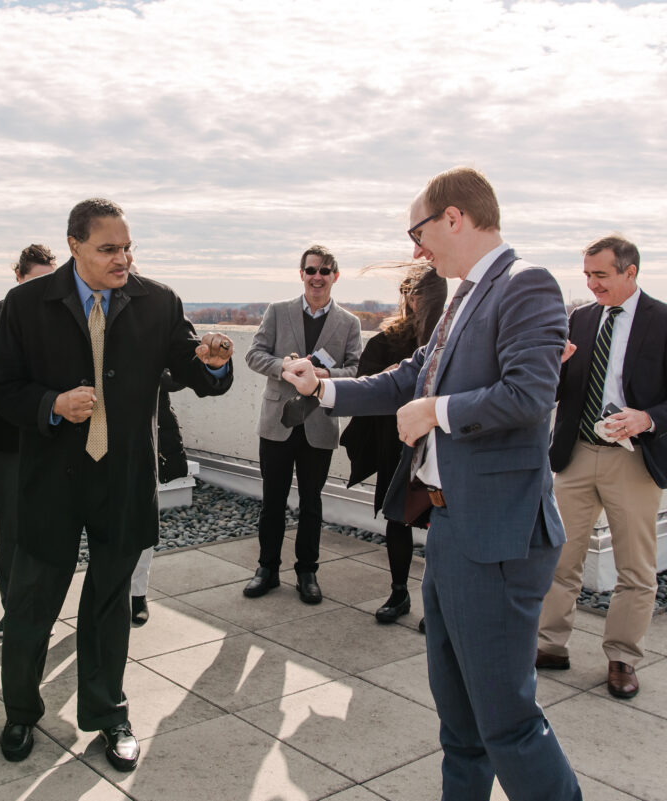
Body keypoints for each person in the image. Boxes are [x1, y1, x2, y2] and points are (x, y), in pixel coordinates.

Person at [283, 167, 581, 801]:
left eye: (418, 231)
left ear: (454, 218)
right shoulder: (465, 294)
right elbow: (409, 375)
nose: (416, 248)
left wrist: (437, 412)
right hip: (451, 529)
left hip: (497, 539)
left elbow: (530, 393)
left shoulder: (526, 284)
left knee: (508, 723)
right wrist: (324, 388)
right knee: (461, 722)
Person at [0, 198, 234, 771]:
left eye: (127, 247)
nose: (123, 259)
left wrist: (214, 360)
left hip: (122, 478)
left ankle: (108, 711)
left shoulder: (159, 301)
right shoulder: (23, 306)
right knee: (31, 606)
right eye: (108, 249)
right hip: (51, 481)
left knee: (110, 606)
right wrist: (51, 404)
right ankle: (20, 711)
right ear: (74, 246)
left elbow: (194, 369)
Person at [537, 235, 667, 698]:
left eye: (601, 276)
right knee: (557, 558)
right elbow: (555, 390)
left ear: (630, 272)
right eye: (588, 275)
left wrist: (647, 417)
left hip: (634, 462)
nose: (592, 285)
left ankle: (622, 659)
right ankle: (550, 645)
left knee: (636, 570)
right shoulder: (580, 319)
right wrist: (552, 366)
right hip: (575, 456)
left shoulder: (663, 320)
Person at [243, 245, 362, 604]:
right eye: (311, 270)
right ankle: (267, 568)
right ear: (301, 274)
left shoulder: (349, 323)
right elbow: (254, 354)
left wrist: (322, 374)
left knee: (311, 502)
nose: (317, 277)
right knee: (273, 501)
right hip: (278, 421)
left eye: (325, 271)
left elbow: (356, 370)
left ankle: (307, 571)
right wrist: (285, 368)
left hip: (319, 423)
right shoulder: (278, 312)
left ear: (335, 276)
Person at [339, 265, 446, 622]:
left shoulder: (450, 339)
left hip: (441, 446)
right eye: (410, 293)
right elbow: (367, 383)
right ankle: (399, 593)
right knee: (397, 518)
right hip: (396, 442)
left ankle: (440, 606)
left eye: (423, 293)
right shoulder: (386, 340)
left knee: (443, 525)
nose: (415, 300)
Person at [0, 244, 57, 638]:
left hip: (54, 438)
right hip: (7, 439)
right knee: (10, 528)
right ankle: (13, 611)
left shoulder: (62, 315)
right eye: (36, 280)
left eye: (51, 279)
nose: (44, 288)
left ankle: (41, 608)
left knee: (47, 528)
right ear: (19, 278)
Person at [129, 370, 190, 626]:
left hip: (144, 434)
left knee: (142, 517)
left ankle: (137, 593)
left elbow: (178, 375)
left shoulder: (154, 328)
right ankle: (103, 593)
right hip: (94, 429)